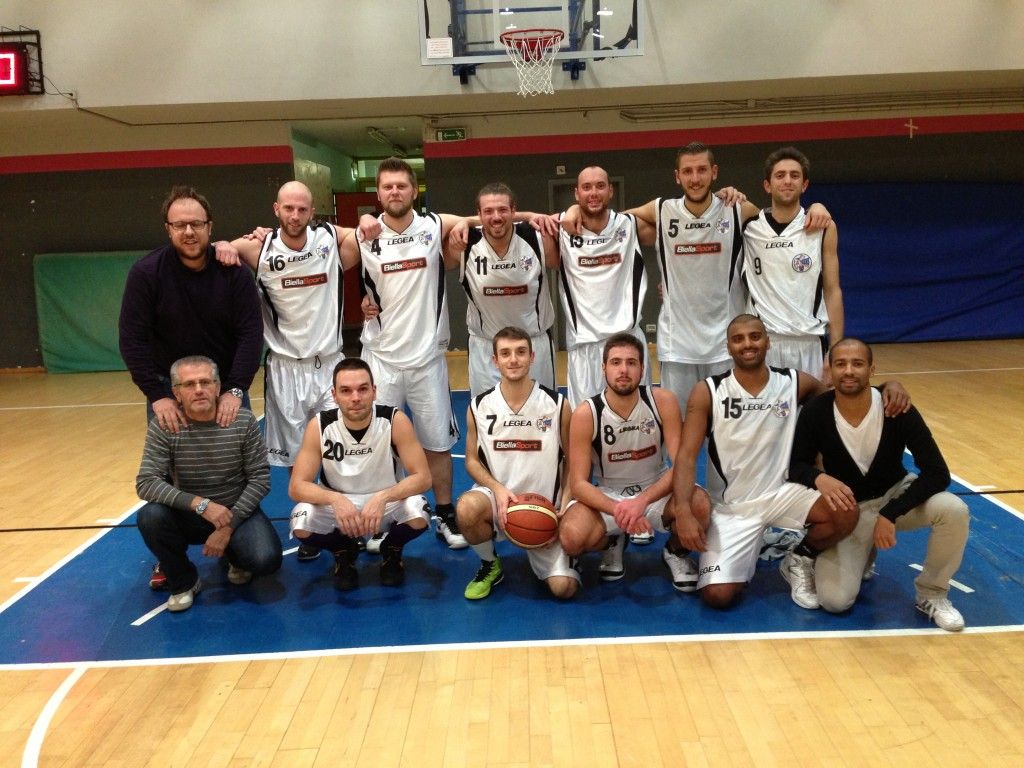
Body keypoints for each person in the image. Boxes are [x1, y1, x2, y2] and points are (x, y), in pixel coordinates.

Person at [214, 180, 371, 563]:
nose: (295, 215)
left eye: (302, 209)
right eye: (288, 208)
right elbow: (217, 249)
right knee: (297, 456)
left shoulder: (329, 240)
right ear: (276, 209)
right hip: (285, 368)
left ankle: (344, 521)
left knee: (339, 449)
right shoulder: (259, 247)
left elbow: (362, 233)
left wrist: (364, 220)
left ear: (312, 211)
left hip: (329, 364)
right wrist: (222, 244)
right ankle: (311, 523)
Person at [120, 185, 263, 589]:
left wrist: (235, 389)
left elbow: (250, 334)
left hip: (224, 388)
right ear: (167, 228)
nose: (188, 232)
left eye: (196, 224)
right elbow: (132, 340)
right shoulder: (146, 274)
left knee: (234, 469)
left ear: (210, 227)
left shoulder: (234, 273)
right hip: (169, 391)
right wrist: (158, 395)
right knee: (167, 477)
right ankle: (171, 557)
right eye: (180, 225)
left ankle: (231, 540)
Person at [622, 142, 832, 408]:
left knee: (726, 425)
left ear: (715, 172)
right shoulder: (662, 209)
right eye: (687, 171)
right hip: (677, 346)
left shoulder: (737, 209)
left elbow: (780, 219)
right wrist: (574, 210)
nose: (695, 178)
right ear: (677, 176)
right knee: (679, 421)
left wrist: (816, 206)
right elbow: (613, 222)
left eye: (702, 170)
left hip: (726, 345)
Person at [671, 314, 857, 609]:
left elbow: (835, 396)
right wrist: (683, 510)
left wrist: (889, 387)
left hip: (783, 494)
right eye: (738, 339)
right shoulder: (708, 391)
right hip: (733, 508)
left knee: (845, 509)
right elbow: (686, 456)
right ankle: (749, 546)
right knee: (717, 596)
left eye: (755, 337)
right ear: (728, 347)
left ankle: (800, 558)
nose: (748, 344)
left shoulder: (794, 382)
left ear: (768, 342)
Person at [788, 338, 969, 630]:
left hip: (895, 495)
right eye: (841, 364)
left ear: (872, 369)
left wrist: (890, 513)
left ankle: (932, 593)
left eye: (858, 364)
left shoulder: (896, 407)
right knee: (834, 602)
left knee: (954, 510)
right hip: (850, 511)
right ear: (830, 370)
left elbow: (937, 473)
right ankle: (857, 551)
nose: (849, 371)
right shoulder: (816, 412)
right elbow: (796, 465)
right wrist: (819, 477)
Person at [358, 157, 467, 549]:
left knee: (437, 443)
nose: (394, 192)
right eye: (387, 186)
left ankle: (445, 513)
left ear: (414, 190)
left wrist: (542, 216)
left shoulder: (433, 225)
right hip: (381, 359)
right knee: (380, 445)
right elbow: (311, 238)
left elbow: (481, 216)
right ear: (378, 193)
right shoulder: (362, 234)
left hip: (426, 359)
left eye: (401, 185)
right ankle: (384, 516)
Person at [135, 356, 282, 612]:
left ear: (218, 387)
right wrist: (201, 505)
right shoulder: (164, 426)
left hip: (235, 512)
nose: (199, 390)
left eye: (205, 382)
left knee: (265, 560)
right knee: (150, 516)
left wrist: (227, 527)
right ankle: (184, 581)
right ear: (176, 393)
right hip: (189, 514)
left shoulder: (243, 420)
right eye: (189, 384)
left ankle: (234, 556)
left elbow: (260, 479)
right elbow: (146, 482)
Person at [559, 332, 702, 589]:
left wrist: (641, 502)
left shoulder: (663, 401)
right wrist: (619, 510)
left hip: (656, 489)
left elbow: (682, 465)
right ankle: (612, 541)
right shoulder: (586, 413)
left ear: (642, 369)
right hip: (609, 494)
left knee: (701, 506)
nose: (623, 370)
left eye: (631, 362)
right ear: (603, 368)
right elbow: (578, 484)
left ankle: (675, 551)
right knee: (571, 538)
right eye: (616, 362)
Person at [288, 358, 432, 590]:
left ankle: (392, 549)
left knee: (419, 510)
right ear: (334, 395)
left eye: (363, 389)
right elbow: (297, 486)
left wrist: (383, 497)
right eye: (346, 391)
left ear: (374, 391)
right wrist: (335, 500)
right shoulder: (320, 425)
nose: (355, 398)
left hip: (385, 502)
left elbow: (423, 477)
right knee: (300, 520)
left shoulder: (394, 420)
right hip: (340, 504)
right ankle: (343, 550)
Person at [456, 327, 577, 600]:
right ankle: (490, 563)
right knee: (466, 508)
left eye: (521, 352)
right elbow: (472, 461)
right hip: (500, 502)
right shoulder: (478, 406)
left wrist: (565, 506)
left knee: (564, 589)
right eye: (505, 353)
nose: (513, 359)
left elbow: (573, 459)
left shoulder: (557, 405)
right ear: (495, 360)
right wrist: (497, 489)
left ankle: (563, 557)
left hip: (545, 510)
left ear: (532, 357)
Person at [555, 167, 653, 409]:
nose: (593, 193)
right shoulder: (560, 229)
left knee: (638, 421)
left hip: (628, 342)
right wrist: (469, 221)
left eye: (600, 186)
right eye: (586, 187)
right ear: (576, 193)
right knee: (586, 422)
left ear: (611, 190)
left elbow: (678, 217)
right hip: (584, 346)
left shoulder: (630, 225)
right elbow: (511, 220)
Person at [449, 183, 560, 396]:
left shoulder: (538, 238)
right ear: (479, 214)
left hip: (534, 344)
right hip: (486, 347)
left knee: (543, 413)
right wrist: (465, 221)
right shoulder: (463, 243)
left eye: (502, 209)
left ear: (513, 211)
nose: (496, 217)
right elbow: (432, 225)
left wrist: (530, 216)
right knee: (487, 415)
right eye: (488, 211)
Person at [742, 147, 843, 376]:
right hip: (763, 341)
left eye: (794, 175)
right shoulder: (749, 224)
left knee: (811, 402)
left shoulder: (823, 228)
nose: (787, 181)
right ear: (767, 185)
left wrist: (836, 347)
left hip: (809, 341)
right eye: (780, 175)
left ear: (804, 185)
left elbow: (832, 290)